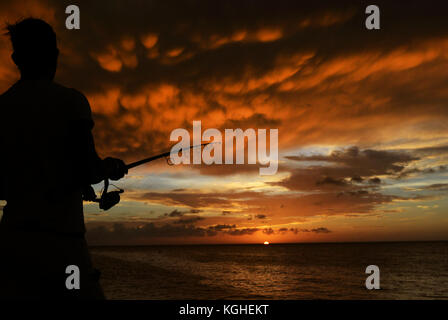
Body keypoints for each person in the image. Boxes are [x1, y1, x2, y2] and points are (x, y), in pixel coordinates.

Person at [0, 18, 127, 299]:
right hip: (63, 243)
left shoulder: (2, 108)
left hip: (12, 245)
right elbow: (88, 168)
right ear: (54, 55)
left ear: (16, 58)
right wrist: (111, 166)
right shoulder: (72, 102)